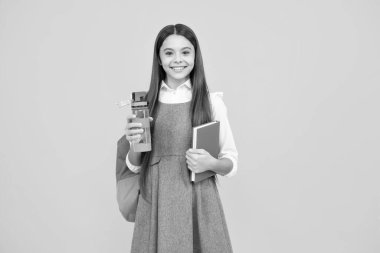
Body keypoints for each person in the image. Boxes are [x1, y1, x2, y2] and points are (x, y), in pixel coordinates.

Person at [124, 24, 238, 253]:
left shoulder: (210, 102)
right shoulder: (145, 103)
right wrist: (134, 141)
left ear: (196, 56)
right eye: (169, 53)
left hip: (199, 200)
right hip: (156, 201)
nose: (178, 59)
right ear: (159, 58)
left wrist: (211, 164)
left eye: (185, 52)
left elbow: (230, 162)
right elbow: (135, 166)